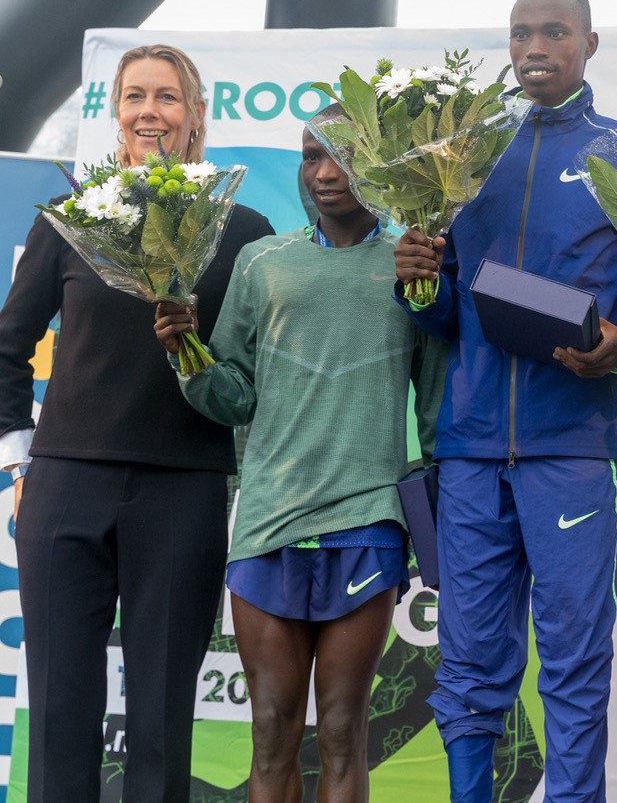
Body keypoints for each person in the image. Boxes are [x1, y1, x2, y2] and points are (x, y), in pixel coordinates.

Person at [391, 0, 617, 803]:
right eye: (519, 34)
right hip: (469, 450)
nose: (534, 48)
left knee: (574, 658)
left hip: (574, 449)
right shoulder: (464, 158)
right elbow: (444, 320)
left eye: (553, 32)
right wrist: (420, 285)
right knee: (467, 664)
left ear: (589, 45)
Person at [0, 44, 273, 803]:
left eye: (167, 97)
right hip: (64, 488)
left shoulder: (242, 226)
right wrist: (23, 459)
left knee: (160, 715)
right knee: (60, 707)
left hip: (183, 491)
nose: (149, 111)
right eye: (134, 96)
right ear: (116, 113)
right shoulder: (75, 219)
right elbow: (7, 344)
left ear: (194, 116)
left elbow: (259, 366)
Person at [153, 106, 445, 802]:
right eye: (310, 155)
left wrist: (441, 520)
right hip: (267, 526)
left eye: (339, 155)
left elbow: (435, 411)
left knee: (344, 730)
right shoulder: (263, 263)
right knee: (271, 728)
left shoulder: (413, 266)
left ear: (372, 164)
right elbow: (232, 397)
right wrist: (184, 354)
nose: (323, 172)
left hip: (367, 523)